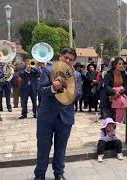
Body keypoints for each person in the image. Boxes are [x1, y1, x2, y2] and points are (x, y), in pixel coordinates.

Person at [34, 48, 82, 180]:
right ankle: (40, 175)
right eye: (65, 57)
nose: (67, 60)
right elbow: (41, 91)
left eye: (70, 59)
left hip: (65, 117)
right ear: (60, 57)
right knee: (43, 147)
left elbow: (79, 95)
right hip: (46, 117)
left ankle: (59, 173)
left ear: (73, 62)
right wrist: (53, 88)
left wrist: (67, 87)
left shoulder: (76, 75)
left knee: (61, 148)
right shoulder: (49, 70)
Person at [102, 57, 127, 121]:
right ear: (115, 65)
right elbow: (106, 86)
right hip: (109, 100)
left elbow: (126, 86)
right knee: (109, 122)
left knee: (117, 121)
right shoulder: (108, 74)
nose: (121, 65)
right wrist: (114, 92)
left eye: (122, 64)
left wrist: (119, 93)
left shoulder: (124, 75)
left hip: (119, 100)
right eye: (119, 64)